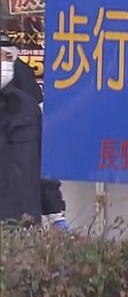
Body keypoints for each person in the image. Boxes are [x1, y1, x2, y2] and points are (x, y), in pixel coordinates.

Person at [1, 33, 67, 229]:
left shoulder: (27, 107)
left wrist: (56, 213)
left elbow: (42, 163)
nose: (4, 63)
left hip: (23, 225)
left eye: (8, 57)